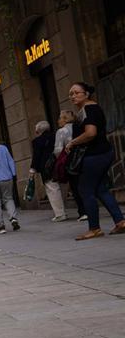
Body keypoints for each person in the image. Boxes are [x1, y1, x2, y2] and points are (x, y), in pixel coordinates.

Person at [66, 82, 125, 240]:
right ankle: (120, 222)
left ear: (86, 94)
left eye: (77, 92)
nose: (73, 96)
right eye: (71, 94)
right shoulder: (88, 109)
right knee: (101, 189)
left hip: (94, 155)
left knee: (85, 190)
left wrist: (72, 142)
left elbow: (90, 133)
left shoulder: (89, 109)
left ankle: (94, 228)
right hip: (102, 153)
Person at [29, 121, 65, 222]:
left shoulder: (37, 141)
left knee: (52, 189)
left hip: (47, 168)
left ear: (38, 131)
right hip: (61, 164)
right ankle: (64, 210)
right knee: (62, 187)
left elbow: (36, 156)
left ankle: (60, 214)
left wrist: (32, 169)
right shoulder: (56, 136)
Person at [54, 109, 84, 221]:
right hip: (83, 158)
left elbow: (57, 150)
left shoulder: (61, 131)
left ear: (65, 119)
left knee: (75, 187)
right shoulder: (79, 127)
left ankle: (83, 211)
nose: (58, 120)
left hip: (71, 161)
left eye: (60, 118)